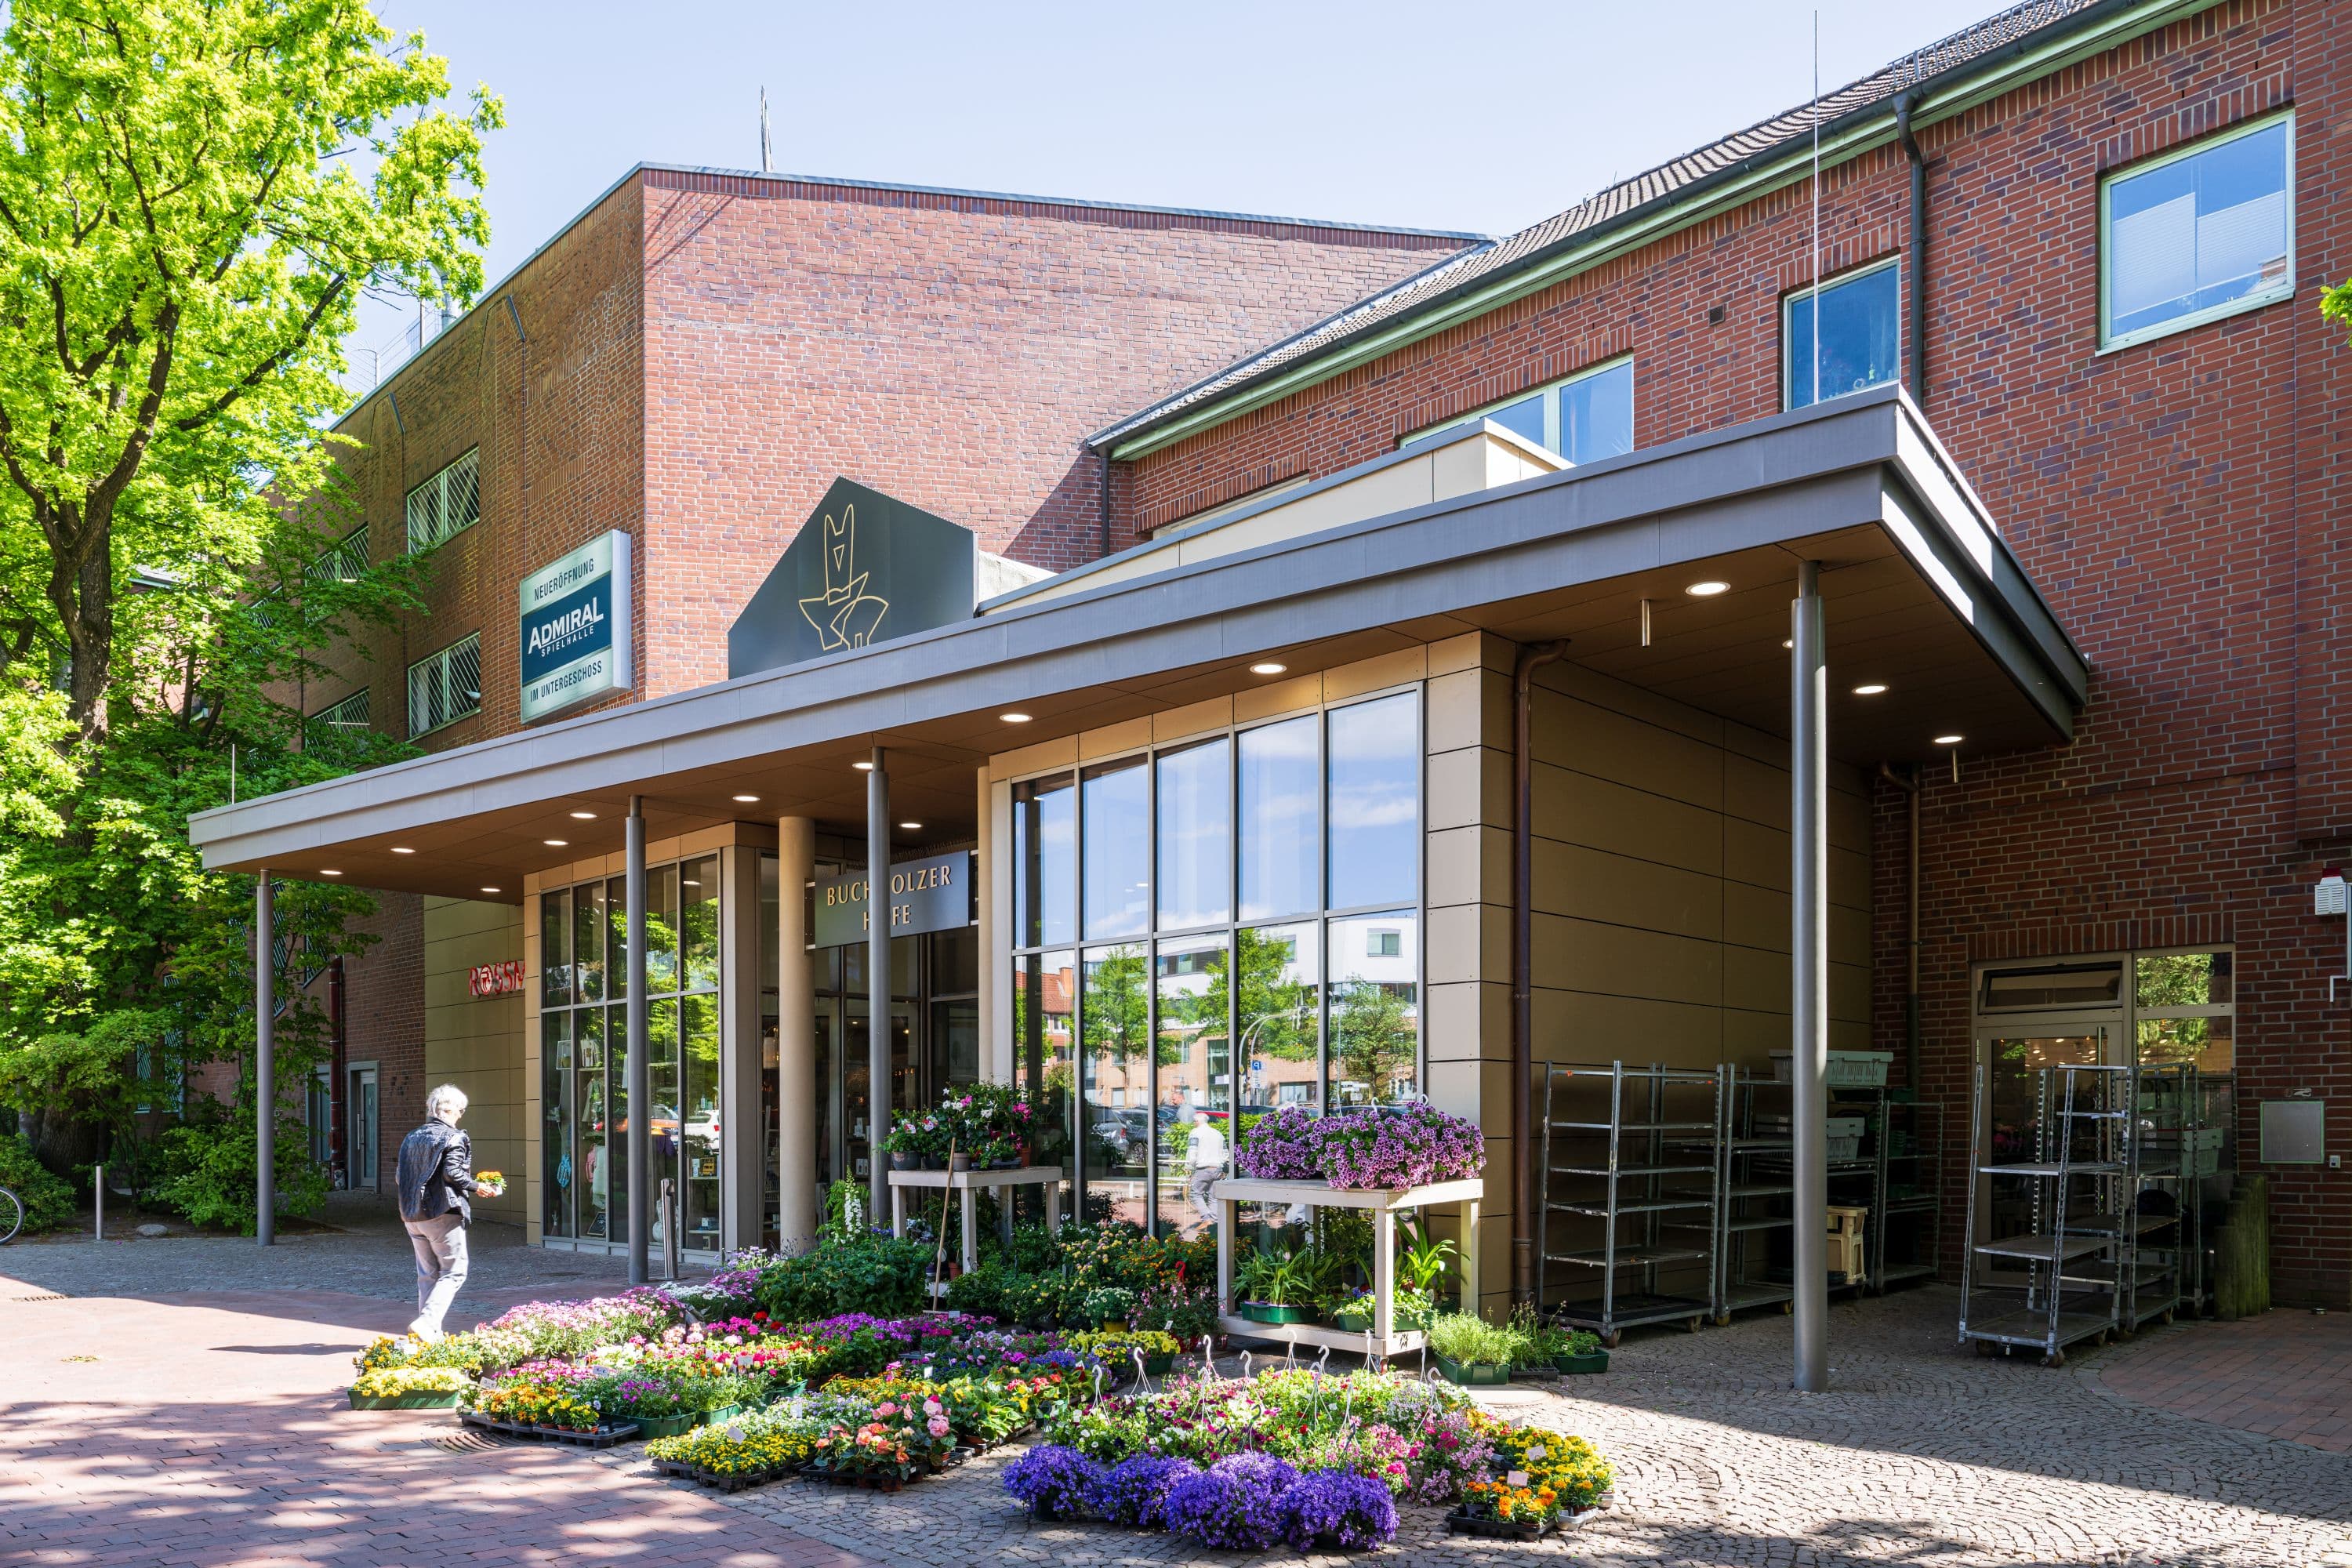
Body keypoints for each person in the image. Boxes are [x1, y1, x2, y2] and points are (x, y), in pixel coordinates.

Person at [397, 1083, 495, 1341]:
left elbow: (400, 1176)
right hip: (441, 1212)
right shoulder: (455, 1136)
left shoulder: (412, 1136)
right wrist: (478, 1186)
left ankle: (428, 1332)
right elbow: (452, 1173)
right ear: (449, 1110)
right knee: (455, 1269)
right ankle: (428, 1323)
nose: (461, 1115)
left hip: (411, 1213)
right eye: (460, 1110)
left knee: (427, 1273)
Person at [1185, 1109, 1227, 1231]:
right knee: (1213, 1197)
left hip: (1204, 1168)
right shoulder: (1218, 1133)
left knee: (1195, 1194)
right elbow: (1226, 1154)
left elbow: (1193, 1153)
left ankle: (1206, 1218)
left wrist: (1190, 1167)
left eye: (1194, 1121)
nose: (1193, 1124)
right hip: (1218, 1169)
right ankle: (1214, 1223)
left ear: (1197, 1121)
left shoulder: (1195, 1133)